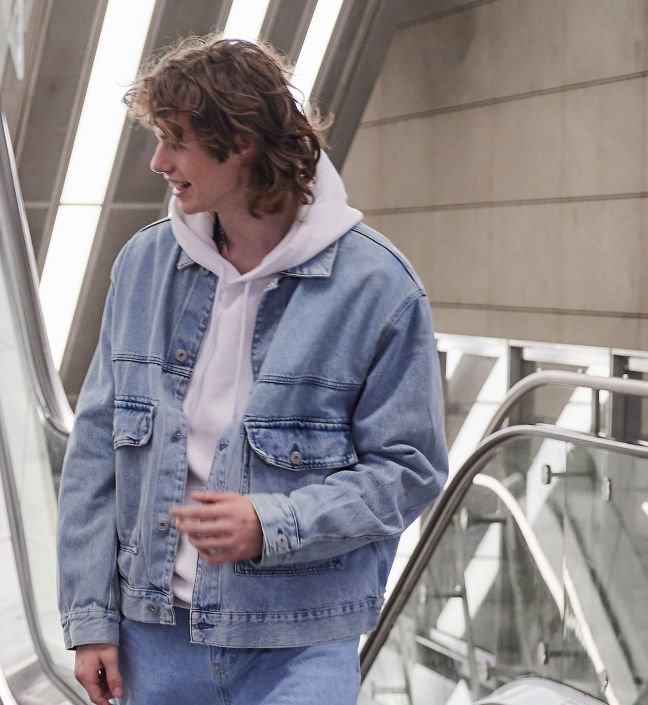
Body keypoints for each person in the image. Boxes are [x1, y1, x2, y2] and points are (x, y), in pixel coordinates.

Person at [55, 37, 448, 705]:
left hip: (300, 642)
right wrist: (90, 617)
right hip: (154, 638)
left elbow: (409, 469)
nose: (158, 162)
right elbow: (95, 450)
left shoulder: (378, 287)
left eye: (177, 141)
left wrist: (274, 521)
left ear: (240, 141)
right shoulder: (145, 266)